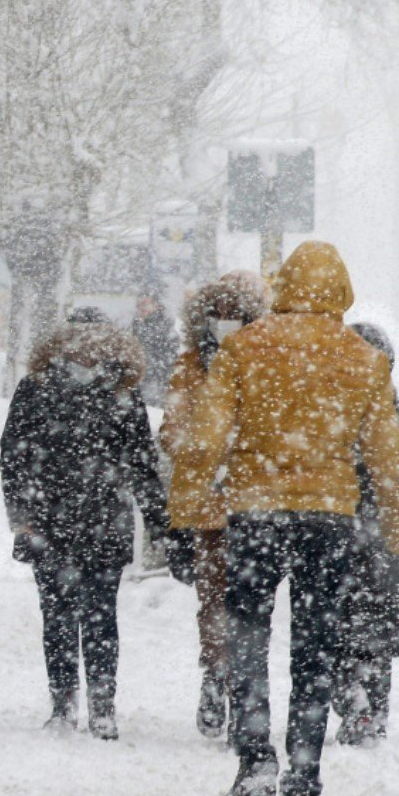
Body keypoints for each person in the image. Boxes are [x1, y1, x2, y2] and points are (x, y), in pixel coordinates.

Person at [188, 241, 399, 796]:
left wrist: (190, 504)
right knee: (316, 648)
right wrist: (397, 529)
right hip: (328, 520)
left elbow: (206, 438)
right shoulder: (364, 361)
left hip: (256, 514)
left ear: (284, 286)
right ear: (341, 292)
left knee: (247, 642)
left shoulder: (243, 348)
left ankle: (254, 757)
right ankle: (305, 776)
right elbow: (389, 458)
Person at [0, 318, 181, 739]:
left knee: (100, 615)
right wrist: (21, 513)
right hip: (49, 521)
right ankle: (63, 703)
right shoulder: (37, 388)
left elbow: (141, 465)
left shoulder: (121, 393)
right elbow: (13, 455)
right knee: (58, 615)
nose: (86, 351)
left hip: (101, 522)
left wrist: (160, 522)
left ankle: (102, 706)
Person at [159, 271, 272, 738]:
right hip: (211, 508)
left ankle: (241, 687)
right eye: (217, 316)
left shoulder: (267, 363)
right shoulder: (190, 367)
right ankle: (216, 674)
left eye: (235, 316)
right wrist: (202, 446)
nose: (225, 325)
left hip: (253, 504)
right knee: (214, 602)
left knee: (249, 606)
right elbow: (171, 432)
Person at [331, 322, 399, 747]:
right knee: (375, 638)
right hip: (386, 541)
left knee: (333, 629)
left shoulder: (329, 410)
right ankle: (370, 711)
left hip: (343, 535)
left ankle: (351, 699)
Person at [132, 289, 181, 406]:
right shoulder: (137, 323)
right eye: (138, 305)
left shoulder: (164, 325)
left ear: (156, 305)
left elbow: (169, 354)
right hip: (144, 376)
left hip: (158, 378)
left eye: (144, 304)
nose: (141, 308)